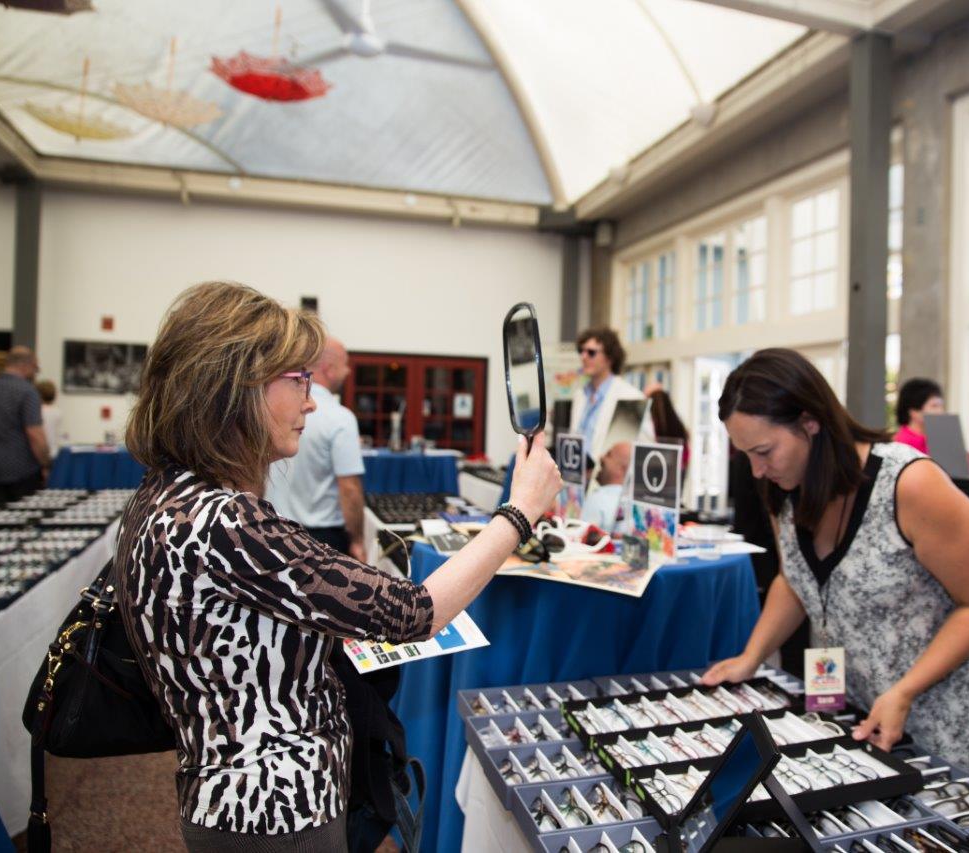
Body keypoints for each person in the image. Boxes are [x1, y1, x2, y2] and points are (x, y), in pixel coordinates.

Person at [116, 282, 561, 850]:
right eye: (297, 380)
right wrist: (519, 513)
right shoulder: (221, 523)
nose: (309, 400)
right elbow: (412, 612)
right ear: (232, 388)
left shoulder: (165, 496)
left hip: (225, 793)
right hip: (274, 810)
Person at [703, 349, 969, 775]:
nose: (756, 470)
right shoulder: (784, 487)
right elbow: (797, 580)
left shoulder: (911, 483)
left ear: (810, 422)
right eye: (746, 456)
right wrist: (751, 656)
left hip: (945, 720)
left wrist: (904, 691)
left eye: (764, 451)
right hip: (858, 712)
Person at [266, 336, 368, 562]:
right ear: (329, 369)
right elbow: (349, 488)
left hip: (275, 529)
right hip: (323, 538)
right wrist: (358, 541)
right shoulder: (340, 418)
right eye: (345, 365)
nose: (349, 372)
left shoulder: (277, 413)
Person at [0, 346, 52, 507]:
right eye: (35, 368)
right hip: (22, 474)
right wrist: (46, 464)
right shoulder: (27, 392)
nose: (35, 373)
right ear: (25, 365)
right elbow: (35, 434)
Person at [568, 327, 646, 459]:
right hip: (575, 476)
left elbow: (642, 449)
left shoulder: (630, 397)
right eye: (581, 351)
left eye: (591, 352)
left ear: (609, 357)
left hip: (608, 478)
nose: (583, 357)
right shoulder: (580, 395)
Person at [580, 441, 632, 532]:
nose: (601, 457)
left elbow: (578, 538)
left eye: (608, 454)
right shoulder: (634, 507)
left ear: (622, 469)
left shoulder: (597, 500)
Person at [892, 378, 944, 454]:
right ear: (913, 411)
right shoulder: (901, 444)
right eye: (934, 406)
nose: (940, 411)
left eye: (941, 406)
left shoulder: (941, 438)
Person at [35, 379, 67, 462]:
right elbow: (62, 435)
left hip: (41, 454)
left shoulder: (36, 411)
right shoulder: (58, 412)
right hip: (55, 453)